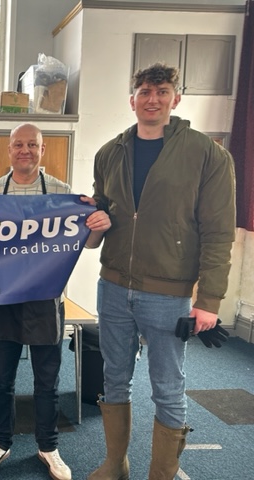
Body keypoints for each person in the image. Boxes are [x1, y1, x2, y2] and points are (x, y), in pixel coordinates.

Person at [88, 63, 236, 480]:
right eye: (145, 92)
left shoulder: (207, 154)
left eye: (162, 91)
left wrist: (209, 300)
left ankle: (162, 473)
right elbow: (103, 208)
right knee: (113, 378)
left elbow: (218, 232)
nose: (152, 99)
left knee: (168, 386)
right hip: (113, 286)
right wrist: (95, 221)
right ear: (132, 99)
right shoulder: (109, 153)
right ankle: (115, 464)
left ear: (176, 98)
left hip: (169, 294)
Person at [0, 123, 110, 480]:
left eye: (32, 145)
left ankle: (48, 446)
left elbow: (88, 242)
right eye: (18, 145)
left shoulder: (64, 194)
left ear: (42, 149)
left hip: (46, 300)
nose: (25, 150)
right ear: (9, 150)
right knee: (1, 380)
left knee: (47, 382)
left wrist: (96, 222)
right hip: (4, 299)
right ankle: (0, 442)